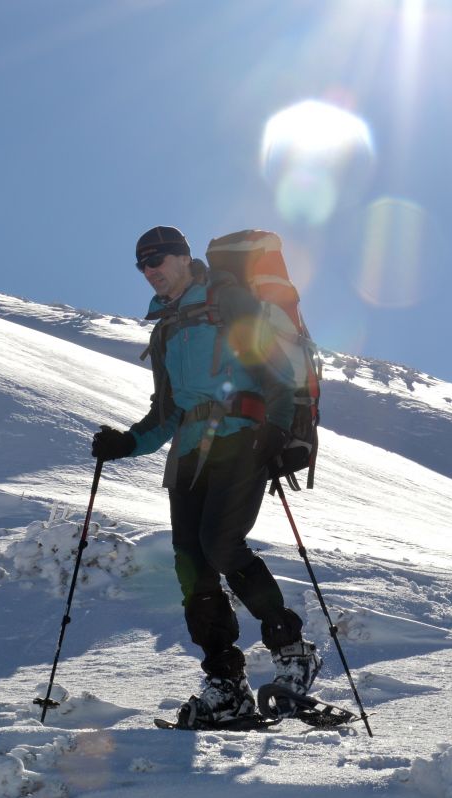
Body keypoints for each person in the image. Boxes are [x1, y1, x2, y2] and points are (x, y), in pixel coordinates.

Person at [92, 225, 321, 728]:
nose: (150, 271)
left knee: (222, 545)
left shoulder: (228, 299)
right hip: (189, 453)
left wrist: (277, 429)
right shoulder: (166, 329)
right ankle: (225, 684)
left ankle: (292, 649)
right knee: (191, 567)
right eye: (142, 265)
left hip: (243, 435)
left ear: (182, 256)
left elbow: (275, 369)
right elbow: (166, 412)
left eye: (157, 259)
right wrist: (127, 444)